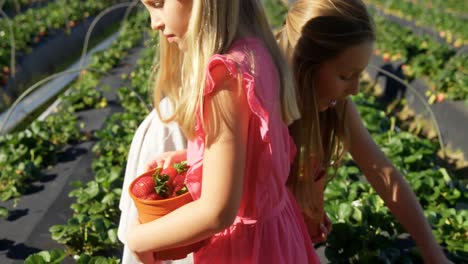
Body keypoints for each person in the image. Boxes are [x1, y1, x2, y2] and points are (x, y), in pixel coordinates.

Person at [124, 0, 320, 263]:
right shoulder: (257, 53)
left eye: (158, 4)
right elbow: (256, 158)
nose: (154, 22)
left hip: (244, 250)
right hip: (278, 236)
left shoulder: (225, 75)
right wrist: (190, 157)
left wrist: (137, 238)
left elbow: (217, 212)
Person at [277, 0, 452, 263]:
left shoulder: (337, 108)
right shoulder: (266, 115)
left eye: (360, 75)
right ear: (305, 68)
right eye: (346, 76)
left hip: (301, 244)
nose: (356, 90)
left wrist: (433, 253)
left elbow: (383, 173)